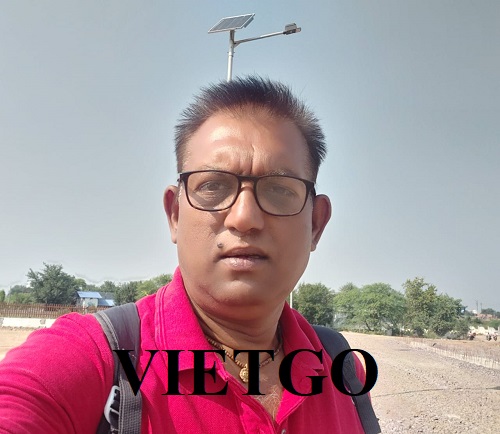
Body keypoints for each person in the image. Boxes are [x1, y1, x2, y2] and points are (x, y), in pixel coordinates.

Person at [0, 76, 368, 433]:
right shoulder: (90, 360)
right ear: (175, 214)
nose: (244, 218)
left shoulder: (342, 368)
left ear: (316, 224)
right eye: (213, 185)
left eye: (279, 190)